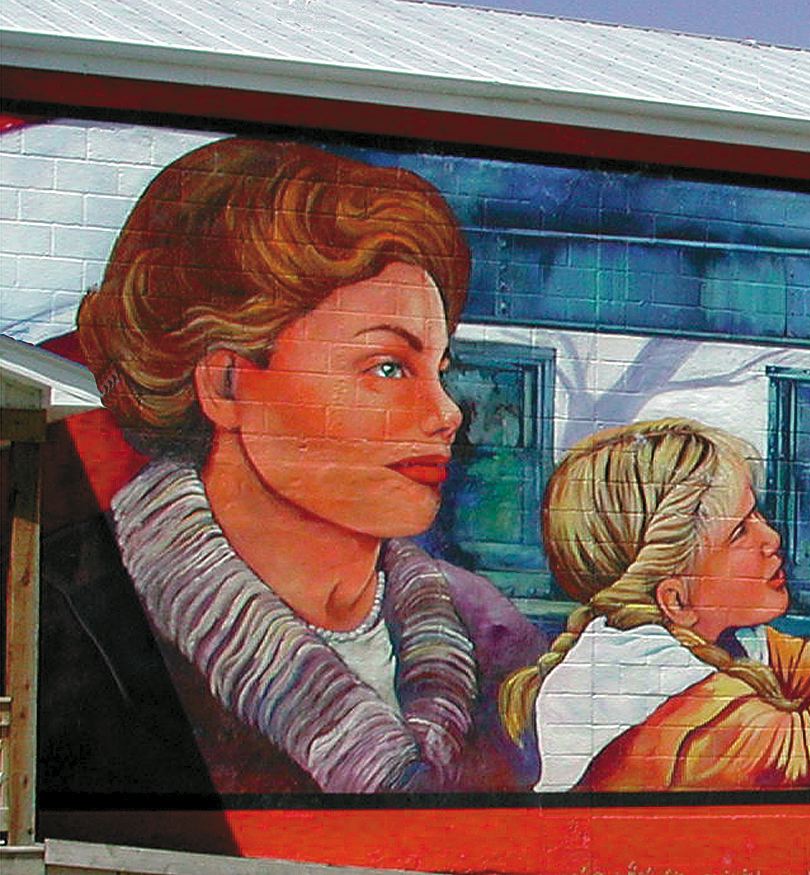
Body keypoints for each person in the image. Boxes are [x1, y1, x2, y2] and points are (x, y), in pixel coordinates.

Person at [45, 138, 541, 794]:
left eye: (438, 369)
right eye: (388, 367)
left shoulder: (496, 640)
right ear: (226, 385)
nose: (447, 412)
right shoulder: (74, 620)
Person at [501, 419, 810, 791]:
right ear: (676, 599)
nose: (771, 538)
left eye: (757, 515)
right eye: (740, 531)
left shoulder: (714, 641)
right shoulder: (660, 693)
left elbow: (809, 667)